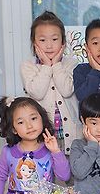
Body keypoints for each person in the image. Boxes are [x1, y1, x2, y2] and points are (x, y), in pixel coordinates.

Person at [0, 96, 70, 194]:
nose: (29, 126)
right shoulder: (7, 152)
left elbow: (64, 176)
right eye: (21, 122)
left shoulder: (50, 149)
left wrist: (56, 151)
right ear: (13, 129)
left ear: (42, 118)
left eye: (33, 118)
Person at [20, 11, 80, 156]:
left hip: (71, 133)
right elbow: (37, 93)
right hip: (44, 134)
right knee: (46, 167)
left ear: (63, 42)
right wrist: (47, 66)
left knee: (69, 167)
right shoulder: (28, 66)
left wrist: (56, 65)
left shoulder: (71, 64)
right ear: (34, 43)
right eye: (42, 40)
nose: (49, 45)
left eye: (54, 39)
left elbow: (67, 90)